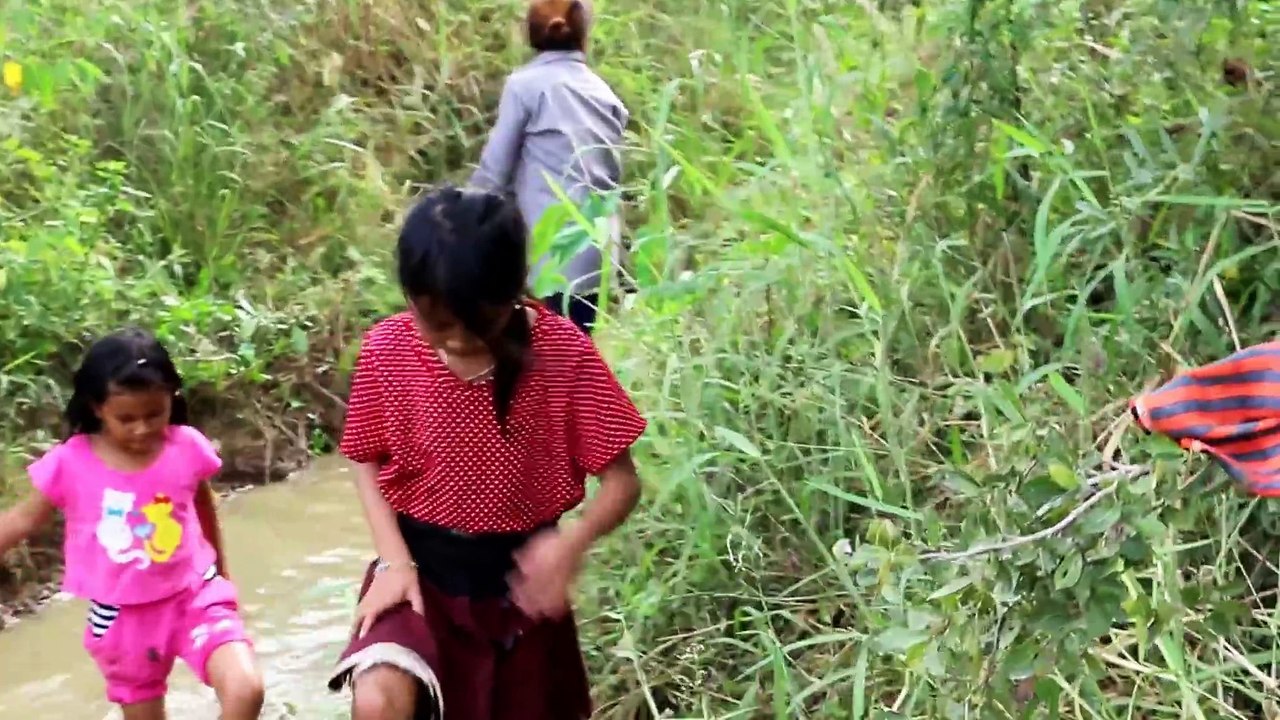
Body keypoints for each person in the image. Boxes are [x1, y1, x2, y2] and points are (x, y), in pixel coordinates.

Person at [326, 186, 647, 720]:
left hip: (518, 587)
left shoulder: (562, 353)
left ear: (514, 292)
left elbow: (622, 482)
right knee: (379, 697)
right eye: (437, 323)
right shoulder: (387, 350)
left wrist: (570, 547)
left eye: (477, 324)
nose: (454, 341)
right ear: (410, 296)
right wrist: (393, 561)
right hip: (419, 569)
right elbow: (365, 458)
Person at [0, 329, 265, 720]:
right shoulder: (71, 462)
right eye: (126, 418)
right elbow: (23, 519)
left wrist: (222, 573)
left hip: (195, 595)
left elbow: (203, 503)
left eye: (154, 414)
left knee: (246, 690)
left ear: (171, 399)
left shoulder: (186, 446)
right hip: (121, 618)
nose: (142, 428)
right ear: (95, 407)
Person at [469, 0, 628, 336]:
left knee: (533, 362)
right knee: (573, 357)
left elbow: (493, 174)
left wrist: (460, 224)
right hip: (597, 258)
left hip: (550, 259)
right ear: (585, 37)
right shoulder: (606, 96)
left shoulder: (525, 86)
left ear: (530, 35)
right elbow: (610, 182)